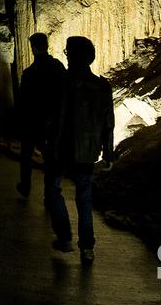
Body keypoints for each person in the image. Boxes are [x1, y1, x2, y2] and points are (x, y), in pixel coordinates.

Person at [46, 36, 115, 265]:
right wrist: (108, 152)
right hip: (88, 150)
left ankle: (64, 236)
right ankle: (87, 248)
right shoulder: (103, 86)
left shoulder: (64, 82)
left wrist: (52, 144)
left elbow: (60, 116)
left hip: (64, 147)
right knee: (84, 197)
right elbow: (108, 122)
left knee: (53, 188)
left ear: (72, 56)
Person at [15, 33, 66, 201]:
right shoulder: (57, 67)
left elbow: (23, 100)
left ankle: (25, 187)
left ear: (33, 48)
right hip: (51, 121)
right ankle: (49, 193)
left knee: (26, 155)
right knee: (49, 158)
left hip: (32, 121)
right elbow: (64, 93)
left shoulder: (29, 73)